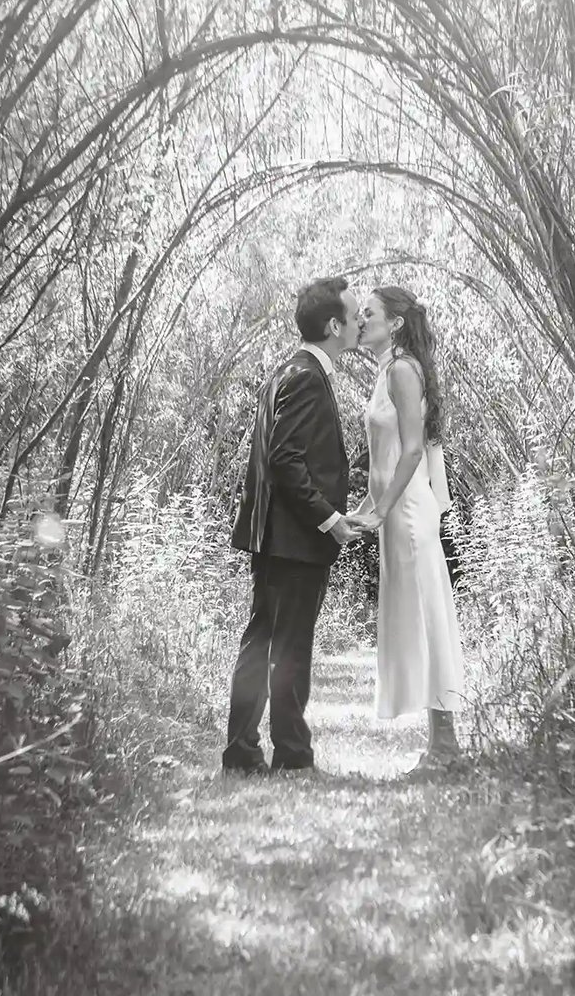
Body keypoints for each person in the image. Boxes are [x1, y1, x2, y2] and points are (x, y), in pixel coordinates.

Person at [223, 276, 369, 774]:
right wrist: (329, 519)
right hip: (293, 539)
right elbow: (286, 460)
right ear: (334, 326)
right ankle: (290, 754)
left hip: (275, 536)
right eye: (354, 315)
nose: (359, 322)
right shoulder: (306, 376)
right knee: (287, 648)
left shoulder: (288, 368)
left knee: (263, 641)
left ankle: (242, 752)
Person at [347, 286, 466, 771]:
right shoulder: (387, 371)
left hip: (410, 513)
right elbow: (386, 460)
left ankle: (446, 746)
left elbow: (414, 451)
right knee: (414, 616)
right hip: (394, 512)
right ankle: (440, 744)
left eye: (369, 313)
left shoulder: (401, 370)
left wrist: (381, 510)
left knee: (428, 614)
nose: (360, 320)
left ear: (394, 323)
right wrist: (363, 510)